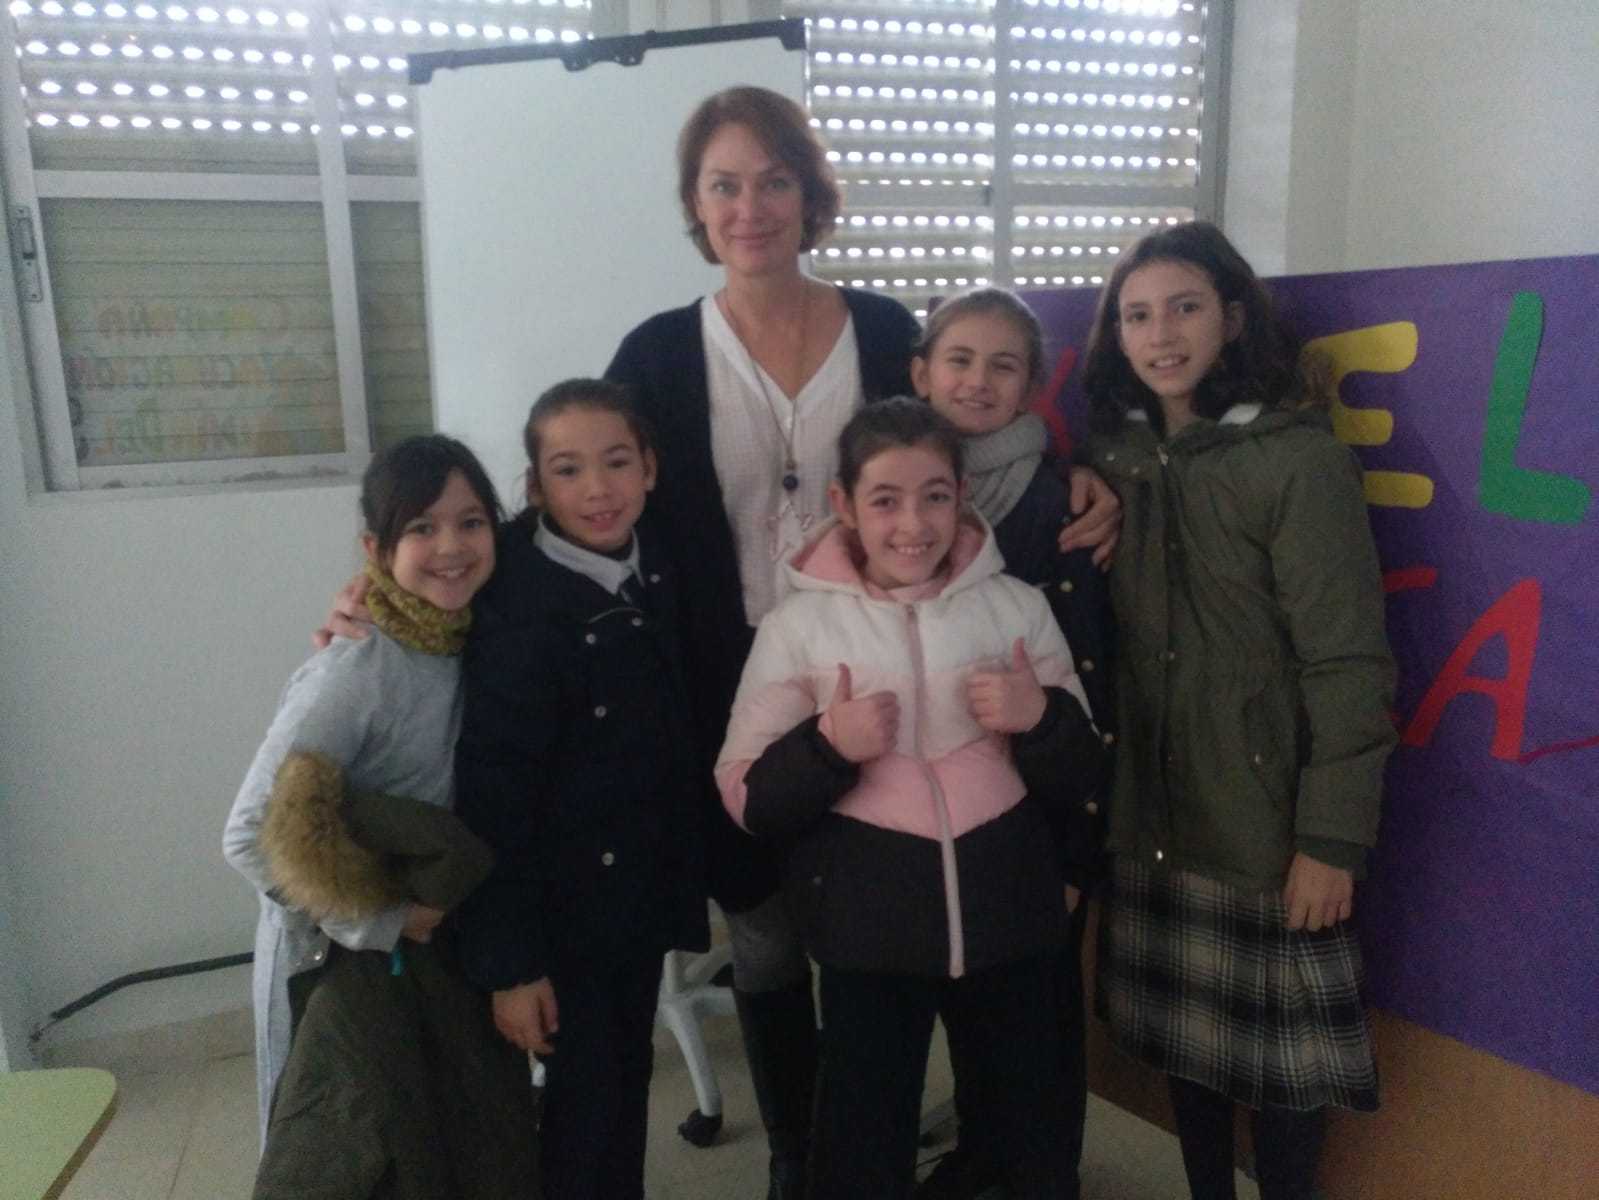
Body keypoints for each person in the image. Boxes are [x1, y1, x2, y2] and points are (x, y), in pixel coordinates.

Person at [602, 85, 1123, 1200]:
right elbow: (586, 489)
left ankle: (956, 1144)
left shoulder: (885, 332)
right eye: (724, 185)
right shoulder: (655, 353)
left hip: (900, 668)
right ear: (696, 204)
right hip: (732, 678)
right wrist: (397, 578)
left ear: (810, 194)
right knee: (767, 936)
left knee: (907, 922)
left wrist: (1078, 472)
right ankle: (800, 1152)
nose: (751, 207)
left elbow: (971, 439)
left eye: (774, 180)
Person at [715, 398, 1112, 1200]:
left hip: (1010, 917)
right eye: (885, 500)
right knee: (861, 1138)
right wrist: (827, 747)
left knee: (1027, 1127)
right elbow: (747, 795)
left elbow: (1085, 773)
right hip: (868, 930)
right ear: (844, 505)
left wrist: (1037, 718)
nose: (911, 524)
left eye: (933, 496)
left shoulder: (1015, 605)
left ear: (960, 495)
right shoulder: (797, 627)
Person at [1081, 221, 1396, 1200]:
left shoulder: (1295, 460)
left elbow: (1347, 661)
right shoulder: (1114, 460)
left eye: (1184, 307)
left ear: (1230, 316)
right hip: (1153, 815)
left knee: (1285, 1075)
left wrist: (1331, 840)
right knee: (1191, 1051)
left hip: (1266, 825)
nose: (1160, 334)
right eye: (1137, 315)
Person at [223, 436, 540, 1198]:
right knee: (350, 1153)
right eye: (422, 528)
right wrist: (384, 920)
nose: (451, 547)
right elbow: (247, 837)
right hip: (338, 954)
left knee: (448, 1146)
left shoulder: (474, 638)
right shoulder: (356, 666)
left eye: (470, 522)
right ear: (376, 548)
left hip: (430, 945)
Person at [450, 379, 710, 1200]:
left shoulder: (653, 558)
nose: (597, 489)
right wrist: (512, 965)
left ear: (649, 468)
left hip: (636, 893)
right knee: (582, 1107)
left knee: (625, 1080)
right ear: (534, 487)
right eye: (567, 470)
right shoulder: (511, 605)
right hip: (559, 913)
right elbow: (492, 800)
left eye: (617, 462)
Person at [907, 287, 1115, 1200]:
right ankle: (980, 1153)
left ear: (1033, 384)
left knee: (1037, 1017)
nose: (977, 381)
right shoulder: (903, 496)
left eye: (1003, 366)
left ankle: (1039, 1175)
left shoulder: (1059, 504)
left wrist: (1074, 847)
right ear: (921, 372)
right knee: (965, 996)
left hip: (1036, 805)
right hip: (938, 801)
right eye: (958, 359)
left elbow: (1091, 687)